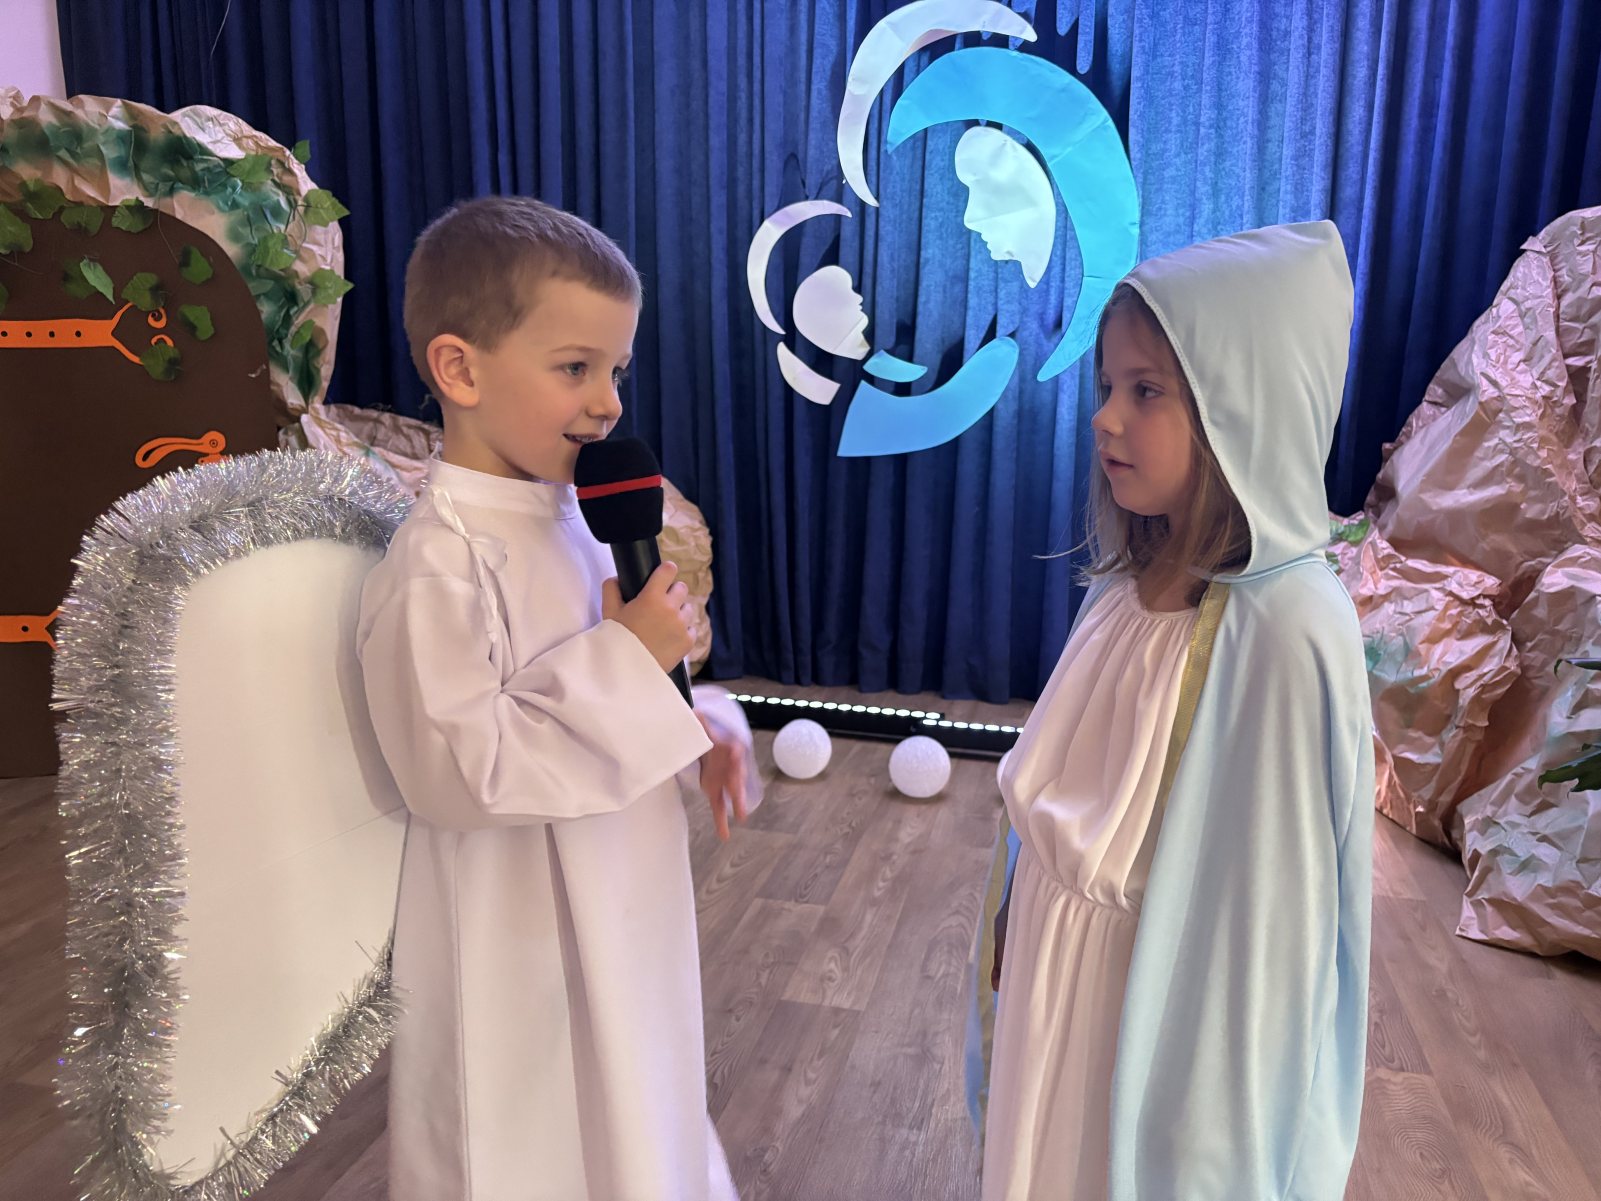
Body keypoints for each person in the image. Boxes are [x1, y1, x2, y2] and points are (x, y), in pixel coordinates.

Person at [357, 196, 748, 1201]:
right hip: (515, 923)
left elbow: (613, 681)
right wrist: (625, 661)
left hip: (621, 883)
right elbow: (460, 770)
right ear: (460, 369)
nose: (607, 403)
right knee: (528, 1134)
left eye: (617, 370)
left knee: (634, 1091)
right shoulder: (438, 561)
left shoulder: (575, 516)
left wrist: (693, 716)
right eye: (575, 367)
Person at [981, 221, 1374, 1201]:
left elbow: (1270, 938)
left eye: (1144, 391)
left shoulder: (1286, 629)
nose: (1103, 418)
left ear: (1242, 406)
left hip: (1138, 1029)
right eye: (1106, 386)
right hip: (1053, 987)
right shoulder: (1126, 587)